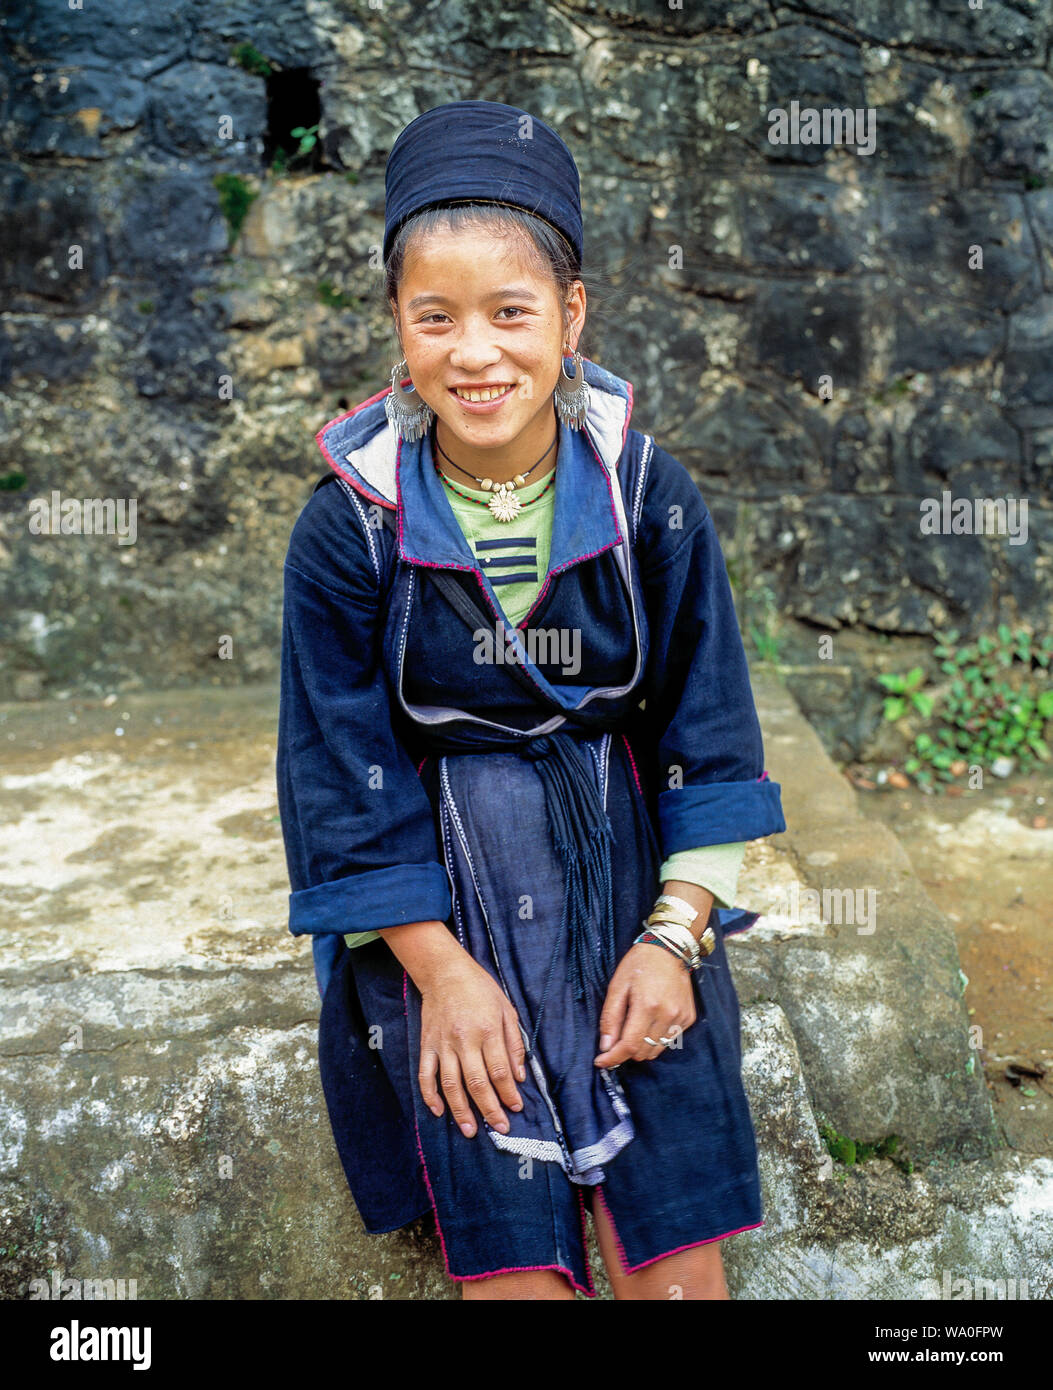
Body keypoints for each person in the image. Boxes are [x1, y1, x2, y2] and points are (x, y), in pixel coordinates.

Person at [276, 100, 786, 1301]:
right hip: (442, 890)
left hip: (620, 868)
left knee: (677, 1267)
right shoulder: (350, 525)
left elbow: (706, 733)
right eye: (434, 317)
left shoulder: (649, 496)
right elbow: (338, 767)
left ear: (572, 314)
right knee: (511, 1256)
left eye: (512, 312)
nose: (477, 354)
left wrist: (673, 938)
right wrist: (439, 970)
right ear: (397, 329)